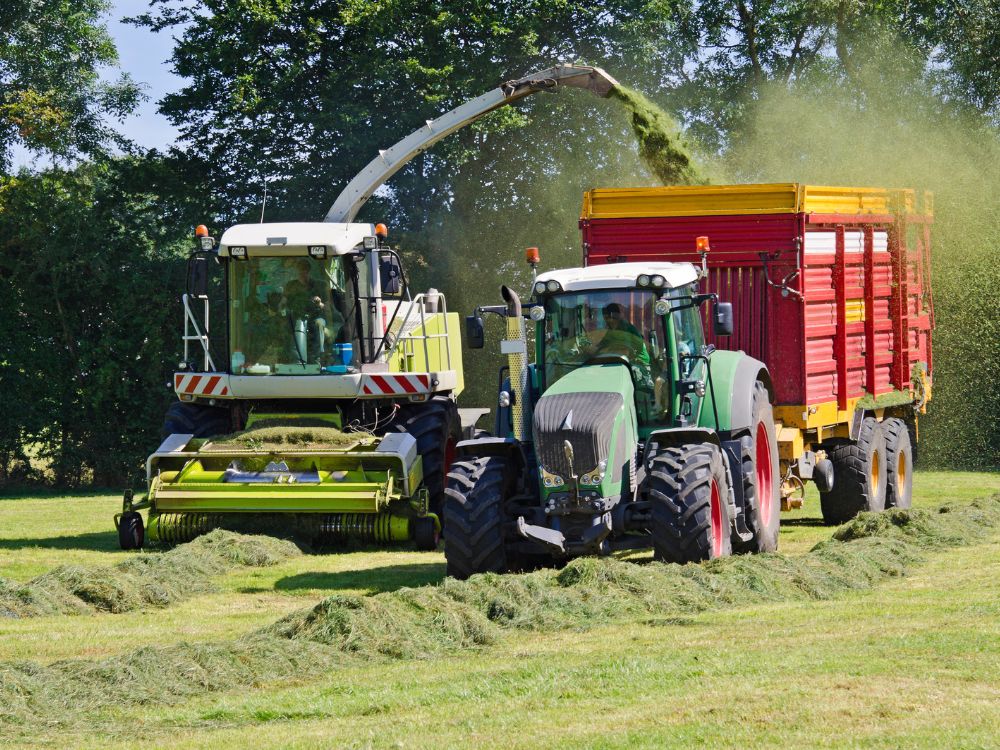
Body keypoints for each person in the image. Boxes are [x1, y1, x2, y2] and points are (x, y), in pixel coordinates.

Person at [283, 259, 329, 364]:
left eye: (305, 270)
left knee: (320, 323)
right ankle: (287, 357)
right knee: (285, 326)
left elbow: (327, 307)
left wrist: (319, 303)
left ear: (309, 271)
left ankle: (318, 357)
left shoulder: (319, 285)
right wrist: (280, 306)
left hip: (315, 316)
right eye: (300, 270)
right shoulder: (291, 286)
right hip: (295, 316)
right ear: (296, 271)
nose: (303, 272)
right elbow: (283, 302)